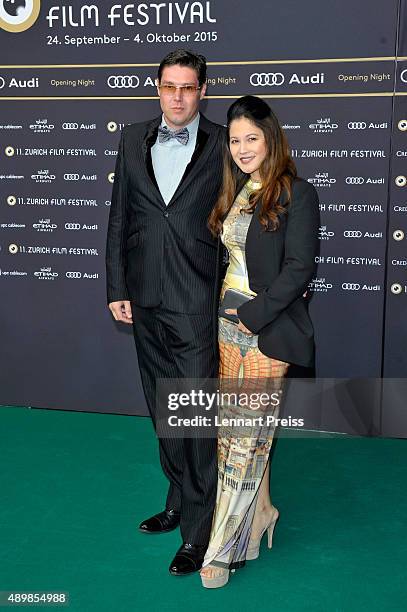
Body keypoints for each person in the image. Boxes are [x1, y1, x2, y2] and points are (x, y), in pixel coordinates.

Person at [105, 49, 225, 576]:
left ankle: (200, 530)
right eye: (169, 86)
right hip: (145, 301)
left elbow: (245, 223)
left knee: (195, 418)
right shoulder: (132, 138)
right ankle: (178, 502)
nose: (178, 97)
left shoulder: (225, 143)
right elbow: (119, 219)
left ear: (202, 91)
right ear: (157, 88)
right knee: (164, 413)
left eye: (189, 87)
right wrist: (117, 286)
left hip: (198, 301)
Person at [200, 95, 320, 588]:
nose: (243, 147)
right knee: (240, 435)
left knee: (243, 441)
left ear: (271, 139)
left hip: (266, 331)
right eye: (235, 140)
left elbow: (299, 271)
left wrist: (252, 315)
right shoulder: (240, 190)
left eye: (252, 138)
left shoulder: (296, 193)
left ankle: (222, 548)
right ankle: (262, 512)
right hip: (227, 328)